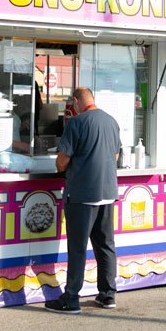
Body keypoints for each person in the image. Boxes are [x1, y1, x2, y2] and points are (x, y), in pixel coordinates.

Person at [45, 87, 121, 314]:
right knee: (106, 246)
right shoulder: (111, 121)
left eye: (73, 103)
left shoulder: (76, 124)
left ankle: (71, 299)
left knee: (77, 248)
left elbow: (61, 163)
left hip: (82, 194)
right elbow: (115, 156)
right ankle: (108, 295)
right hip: (107, 192)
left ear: (77, 101)